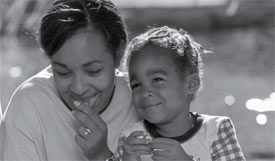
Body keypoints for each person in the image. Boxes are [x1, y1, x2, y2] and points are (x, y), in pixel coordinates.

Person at [1, 0, 140, 160]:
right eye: (63, 72)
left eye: (93, 71)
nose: (78, 88)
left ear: (118, 54)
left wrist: (102, 156)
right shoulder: (29, 104)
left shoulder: (141, 101)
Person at [118, 26, 246, 161]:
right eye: (136, 85)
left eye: (157, 79)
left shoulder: (216, 131)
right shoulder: (131, 139)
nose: (145, 92)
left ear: (190, 84)